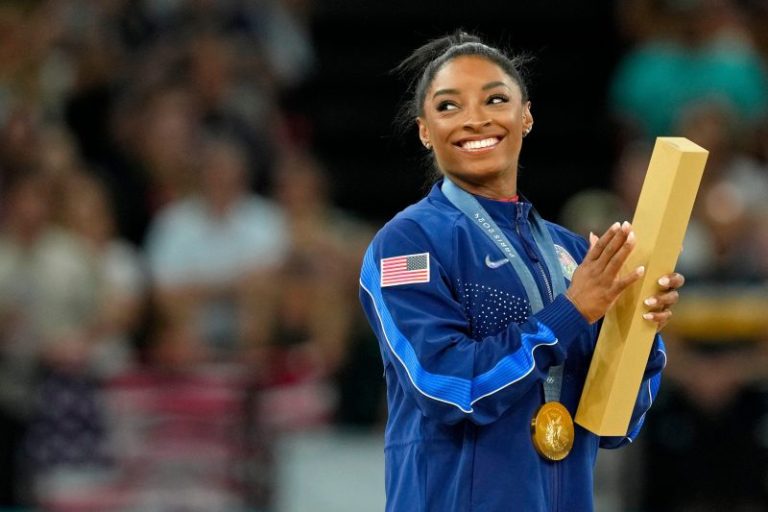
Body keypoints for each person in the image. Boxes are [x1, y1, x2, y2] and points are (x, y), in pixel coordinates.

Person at [358, 31, 684, 512]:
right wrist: (571, 312)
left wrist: (639, 329)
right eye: (449, 106)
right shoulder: (408, 244)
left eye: (495, 99)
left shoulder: (573, 253)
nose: (475, 118)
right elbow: (446, 387)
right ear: (425, 130)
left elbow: (616, 425)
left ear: (526, 116)